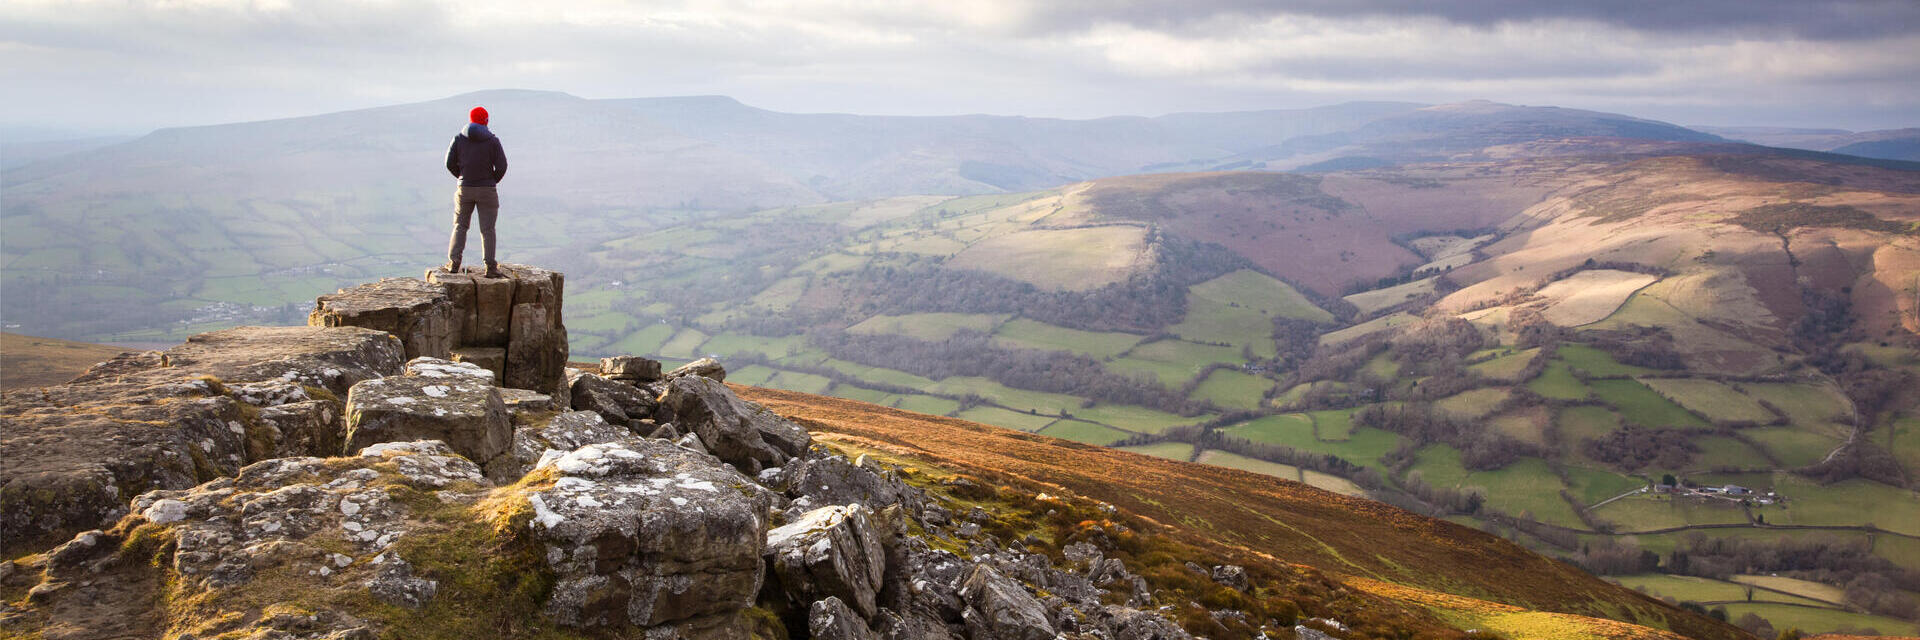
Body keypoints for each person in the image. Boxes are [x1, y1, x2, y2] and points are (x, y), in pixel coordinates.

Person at [444, 106, 508, 278]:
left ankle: (453, 263)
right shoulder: (493, 141)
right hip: (487, 190)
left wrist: (462, 177)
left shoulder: (458, 138)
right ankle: (490, 268)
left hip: (464, 189)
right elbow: (502, 166)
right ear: (486, 121)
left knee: (460, 225)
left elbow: (449, 163)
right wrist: (491, 180)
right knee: (488, 229)